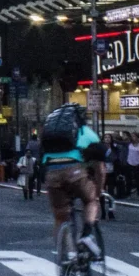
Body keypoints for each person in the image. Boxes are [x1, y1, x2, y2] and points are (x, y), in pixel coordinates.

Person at [41, 104, 104, 257]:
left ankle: (68, 258)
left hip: (52, 173)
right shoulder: (86, 133)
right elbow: (100, 169)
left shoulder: (50, 136)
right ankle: (87, 235)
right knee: (90, 201)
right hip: (74, 172)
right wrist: (98, 191)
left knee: (60, 217)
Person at [126, 133, 139, 198]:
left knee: (138, 179)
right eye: (132, 136)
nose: (132, 138)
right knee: (129, 179)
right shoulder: (129, 144)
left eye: (134, 136)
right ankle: (128, 192)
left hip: (137, 163)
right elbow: (121, 142)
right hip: (129, 163)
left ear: (137, 138)